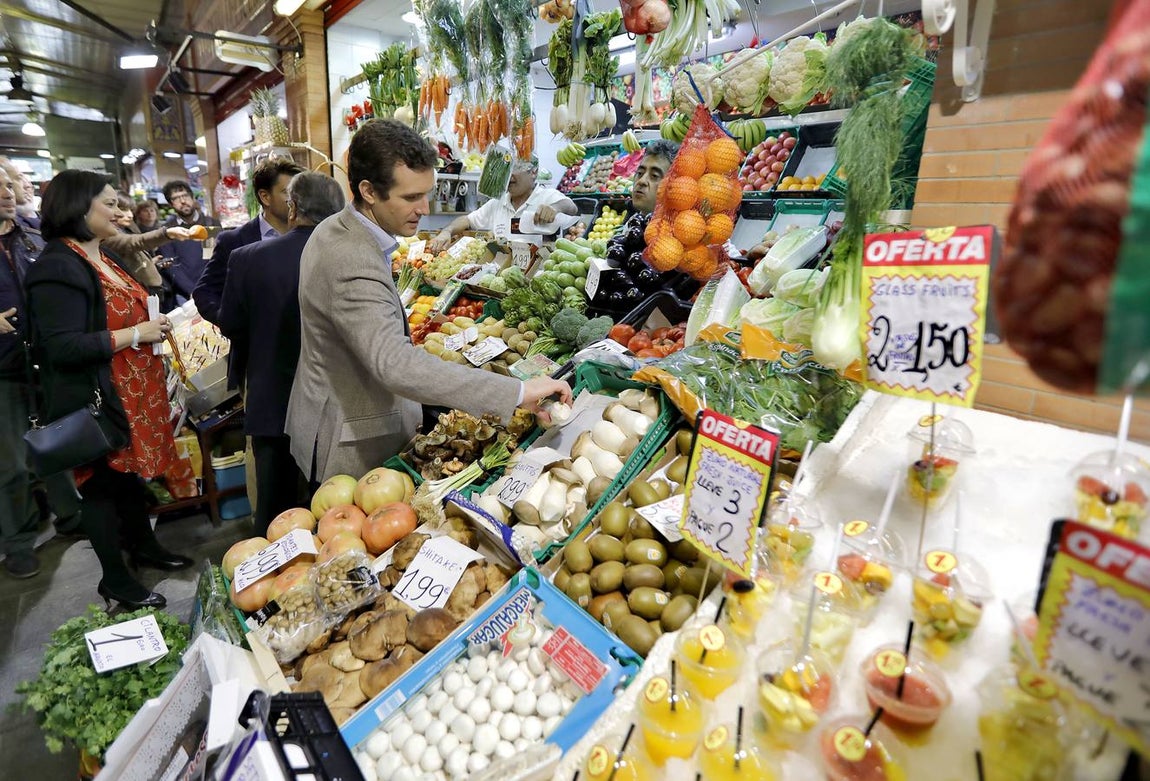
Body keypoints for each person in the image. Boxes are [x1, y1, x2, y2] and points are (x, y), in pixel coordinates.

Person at [287, 118, 572, 483]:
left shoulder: (336, 226)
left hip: (335, 411)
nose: (425, 207)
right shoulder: (350, 256)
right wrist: (517, 391)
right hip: (350, 438)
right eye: (410, 197)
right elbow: (396, 365)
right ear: (369, 191)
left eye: (427, 192)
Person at [25, 170, 192, 610]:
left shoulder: (97, 253)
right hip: (97, 398)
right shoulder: (56, 267)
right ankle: (116, 580)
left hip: (130, 393)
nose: (121, 212)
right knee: (101, 489)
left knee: (126, 481)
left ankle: (143, 547)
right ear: (79, 207)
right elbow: (61, 346)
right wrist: (137, 334)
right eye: (111, 204)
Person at [218, 172, 345, 535]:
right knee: (336, 510)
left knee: (277, 512)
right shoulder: (351, 256)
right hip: (335, 403)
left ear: (293, 210)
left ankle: (277, 581)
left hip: (273, 399)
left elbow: (231, 325)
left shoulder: (247, 259)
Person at [0, 165, 48, 577]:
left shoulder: (32, 238)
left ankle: (70, 517)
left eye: (8, 184)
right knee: (12, 462)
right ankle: (17, 539)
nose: (7, 192)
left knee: (59, 446)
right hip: (2, 370)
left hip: (43, 360)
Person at [194, 158, 304, 326]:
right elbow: (204, 291)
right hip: (256, 348)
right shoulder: (234, 241)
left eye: (299, 192)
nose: (296, 200)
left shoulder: (309, 234)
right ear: (265, 197)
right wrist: (232, 325)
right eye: (288, 193)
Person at [429, 157, 579, 250]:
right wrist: (447, 231)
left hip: (537, 281)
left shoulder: (547, 196)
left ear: (533, 172)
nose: (509, 176)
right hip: (502, 278)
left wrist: (554, 208)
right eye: (507, 170)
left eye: (516, 168)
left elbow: (571, 207)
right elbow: (468, 220)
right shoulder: (497, 203)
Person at [104, 195, 200, 295]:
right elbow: (136, 242)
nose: (129, 215)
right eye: (124, 209)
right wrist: (167, 233)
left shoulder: (128, 229)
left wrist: (151, 264)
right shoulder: (108, 235)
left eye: (130, 210)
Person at [156, 179, 216, 303]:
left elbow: (215, 259)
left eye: (185, 196)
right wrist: (192, 291)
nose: (183, 201)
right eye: (176, 198)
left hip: (213, 289)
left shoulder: (210, 223)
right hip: (185, 295)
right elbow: (171, 267)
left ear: (192, 197)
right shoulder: (168, 231)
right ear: (170, 204)